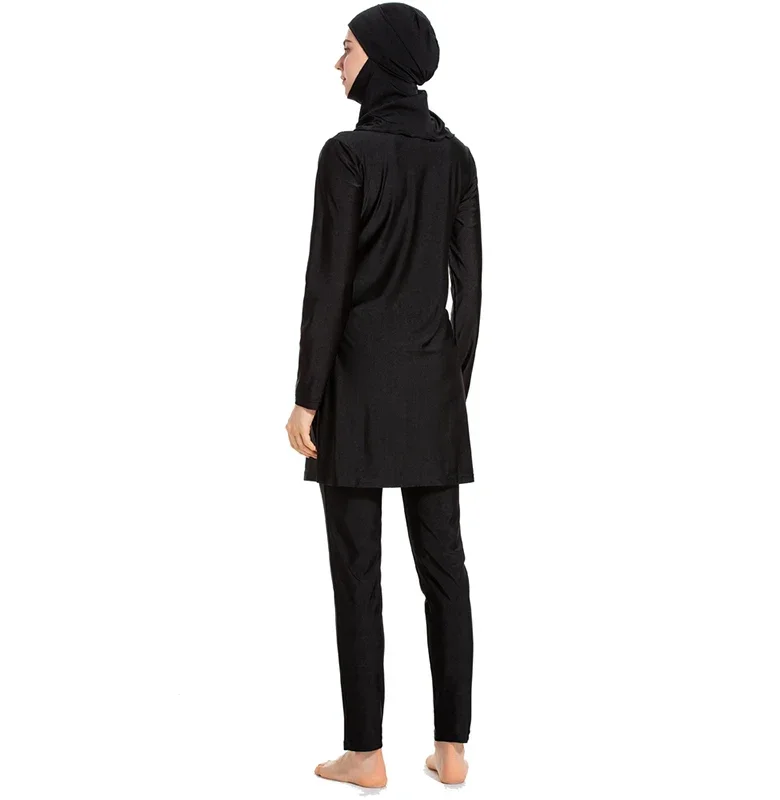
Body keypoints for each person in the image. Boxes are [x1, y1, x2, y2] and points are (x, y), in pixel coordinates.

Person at [285, 2, 482, 789]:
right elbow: (470, 289)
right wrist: (451, 387)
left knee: (356, 572)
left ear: (383, 57)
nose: (337, 62)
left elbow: (326, 284)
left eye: (347, 47)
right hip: (433, 389)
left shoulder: (346, 154)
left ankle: (366, 754)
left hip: (355, 389)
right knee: (445, 568)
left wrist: (306, 397)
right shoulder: (457, 157)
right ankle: (453, 748)